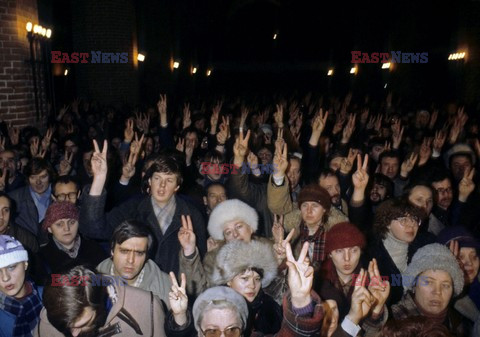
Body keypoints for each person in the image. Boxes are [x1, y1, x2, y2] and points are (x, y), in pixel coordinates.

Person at [79, 140, 207, 275]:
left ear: (177, 186)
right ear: (150, 181)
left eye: (169, 180)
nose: (162, 185)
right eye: (157, 178)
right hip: (139, 289)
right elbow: (92, 229)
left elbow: (200, 263)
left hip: (176, 289)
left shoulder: (192, 215)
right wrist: (99, 179)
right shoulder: (132, 208)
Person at [35, 265, 166, 337]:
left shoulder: (147, 308)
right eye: (66, 327)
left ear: (100, 304)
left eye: (83, 323)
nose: (74, 334)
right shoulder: (48, 318)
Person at [390, 243, 469, 335]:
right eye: (428, 282)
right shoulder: (393, 322)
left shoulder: (457, 324)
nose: (437, 292)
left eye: (445, 285)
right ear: (414, 285)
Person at [96, 220, 172, 310]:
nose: (131, 260)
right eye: (124, 251)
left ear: (147, 255)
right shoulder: (94, 281)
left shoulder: (166, 287)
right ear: (112, 251)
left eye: (139, 253)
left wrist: (180, 315)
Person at [211, 240, 282, 336]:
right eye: (245, 278)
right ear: (229, 280)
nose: (252, 285)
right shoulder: (214, 311)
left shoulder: (270, 309)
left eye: (257, 279)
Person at [368, 197, 429, 305]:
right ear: (387, 223)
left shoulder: (422, 251)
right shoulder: (371, 256)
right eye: (403, 220)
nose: (411, 225)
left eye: (414, 219)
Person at [39, 201, 107, 275]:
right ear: (49, 228)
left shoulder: (95, 249)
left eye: (72, 222)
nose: (67, 228)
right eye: (59, 224)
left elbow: (108, 280)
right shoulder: (42, 257)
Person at [0, 235, 43, 337]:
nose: (5, 278)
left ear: (25, 264)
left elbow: (83, 278)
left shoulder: (48, 294)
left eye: (11, 267)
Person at [8, 157, 56, 245]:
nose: (38, 182)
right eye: (33, 177)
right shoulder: (14, 197)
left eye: (43, 177)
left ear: (50, 176)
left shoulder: (59, 195)